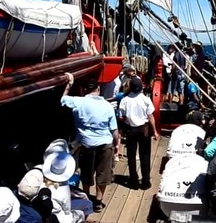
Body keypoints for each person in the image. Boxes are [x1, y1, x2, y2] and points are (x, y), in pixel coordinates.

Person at [60, 74, 120, 213]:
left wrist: (69, 85)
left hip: (87, 144)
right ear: (98, 89)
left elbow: (62, 100)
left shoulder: (78, 102)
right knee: (103, 174)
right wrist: (117, 145)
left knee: (87, 172)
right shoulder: (107, 106)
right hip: (105, 144)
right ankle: (98, 201)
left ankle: (86, 197)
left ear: (84, 90)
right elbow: (114, 130)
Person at [118, 78, 160, 190]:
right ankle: (146, 182)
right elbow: (151, 116)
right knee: (145, 155)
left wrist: (121, 133)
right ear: (141, 87)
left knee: (131, 157)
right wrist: (155, 131)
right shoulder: (145, 99)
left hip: (130, 130)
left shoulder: (125, 100)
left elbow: (121, 117)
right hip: (144, 129)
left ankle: (133, 181)